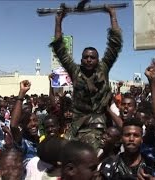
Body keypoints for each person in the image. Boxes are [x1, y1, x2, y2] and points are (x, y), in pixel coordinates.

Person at [50, 5, 122, 150]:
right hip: (78, 127)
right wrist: (58, 21)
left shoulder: (103, 68)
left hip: (99, 126)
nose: (89, 60)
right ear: (81, 59)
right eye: (86, 57)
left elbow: (114, 44)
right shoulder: (75, 71)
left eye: (92, 57)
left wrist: (112, 14)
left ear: (98, 59)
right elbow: (59, 48)